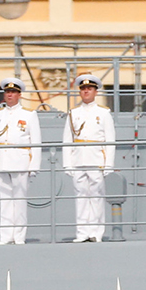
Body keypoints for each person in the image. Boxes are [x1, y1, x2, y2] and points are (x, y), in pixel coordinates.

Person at [61, 74, 115, 243]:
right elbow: (67, 140)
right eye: (83, 89)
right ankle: (82, 232)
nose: (86, 92)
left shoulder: (104, 113)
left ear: (95, 92)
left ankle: (96, 232)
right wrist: (67, 164)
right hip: (78, 160)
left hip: (96, 159)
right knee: (81, 197)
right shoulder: (73, 113)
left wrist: (108, 165)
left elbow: (110, 140)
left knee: (97, 197)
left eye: (89, 89)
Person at [0, 78, 39, 245]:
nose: (10, 95)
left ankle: (19, 236)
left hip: (21, 161)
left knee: (19, 199)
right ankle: (5, 236)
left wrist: (34, 166)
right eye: (8, 92)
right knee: (5, 201)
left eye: (13, 92)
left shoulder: (29, 115)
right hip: (1, 161)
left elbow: (36, 142)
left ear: (19, 95)